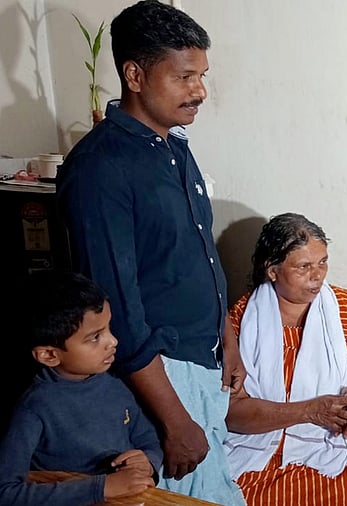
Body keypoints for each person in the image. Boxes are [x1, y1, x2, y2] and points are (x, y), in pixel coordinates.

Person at [56, 1, 246, 503]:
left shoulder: (173, 146)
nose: (200, 91)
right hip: (161, 376)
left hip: (201, 360)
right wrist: (175, 420)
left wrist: (225, 337)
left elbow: (199, 254)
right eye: (185, 77)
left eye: (202, 75)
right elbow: (116, 307)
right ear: (134, 74)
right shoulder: (101, 169)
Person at [224, 213, 347, 505]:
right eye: (304, 267)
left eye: (323, 262)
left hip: (340, 437)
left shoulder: (346, 309)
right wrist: (309, 411)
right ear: (272, 270)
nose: (317, 276)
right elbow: (231, 412)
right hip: (261, 441)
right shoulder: (241, 318)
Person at [0, 272, 162, 506]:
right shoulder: (35, 408)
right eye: (95, 337)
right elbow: (6, 492)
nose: (112, 341)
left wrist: (148, 461)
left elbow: (147, 437)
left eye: (108, 328)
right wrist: (102, 487)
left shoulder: (116, 385)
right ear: (49, 355)